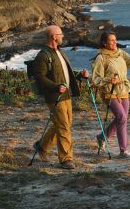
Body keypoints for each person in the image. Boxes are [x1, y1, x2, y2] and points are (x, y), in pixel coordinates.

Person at [32, 25, 90, 170]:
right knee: (63, 126)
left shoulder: (61, 52)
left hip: (66, 95)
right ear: (53, 37)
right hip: (54, 96)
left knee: (63, 124)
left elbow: (65, 74)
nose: (62, 36)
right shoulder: (43, 55)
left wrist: (79, 75)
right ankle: (65, 159)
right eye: (60, 34)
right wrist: (55, 86)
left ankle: (42, 146)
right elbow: (39, 77)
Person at [91, 31, 130, 157]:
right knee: (122, 118)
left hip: (123, 90)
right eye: (111, 40)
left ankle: (103, 136)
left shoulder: (120, 53)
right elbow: (96, 79)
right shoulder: (101, 58)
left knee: (122, 118)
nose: (114, 42)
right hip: (109, 92)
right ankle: (124, 150)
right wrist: (109, 80)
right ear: (104, 43)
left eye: (115, 39)